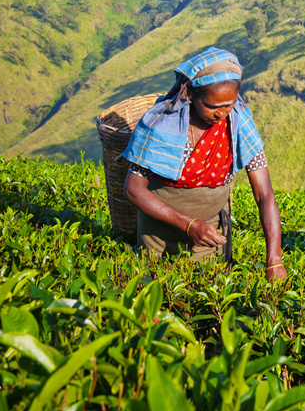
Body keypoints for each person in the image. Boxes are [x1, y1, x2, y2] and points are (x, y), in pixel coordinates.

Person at [122, 46, 288, 282]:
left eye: (229, 104)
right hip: (158, 234)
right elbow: (133, 189)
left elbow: (265, 193)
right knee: (155, 299)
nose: (221, 114)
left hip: (209, 233)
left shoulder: (239, 123)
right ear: (190, 95)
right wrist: (189, 224)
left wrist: (274, 260)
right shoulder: (162, 125)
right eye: (212, 106)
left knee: (206, 297)